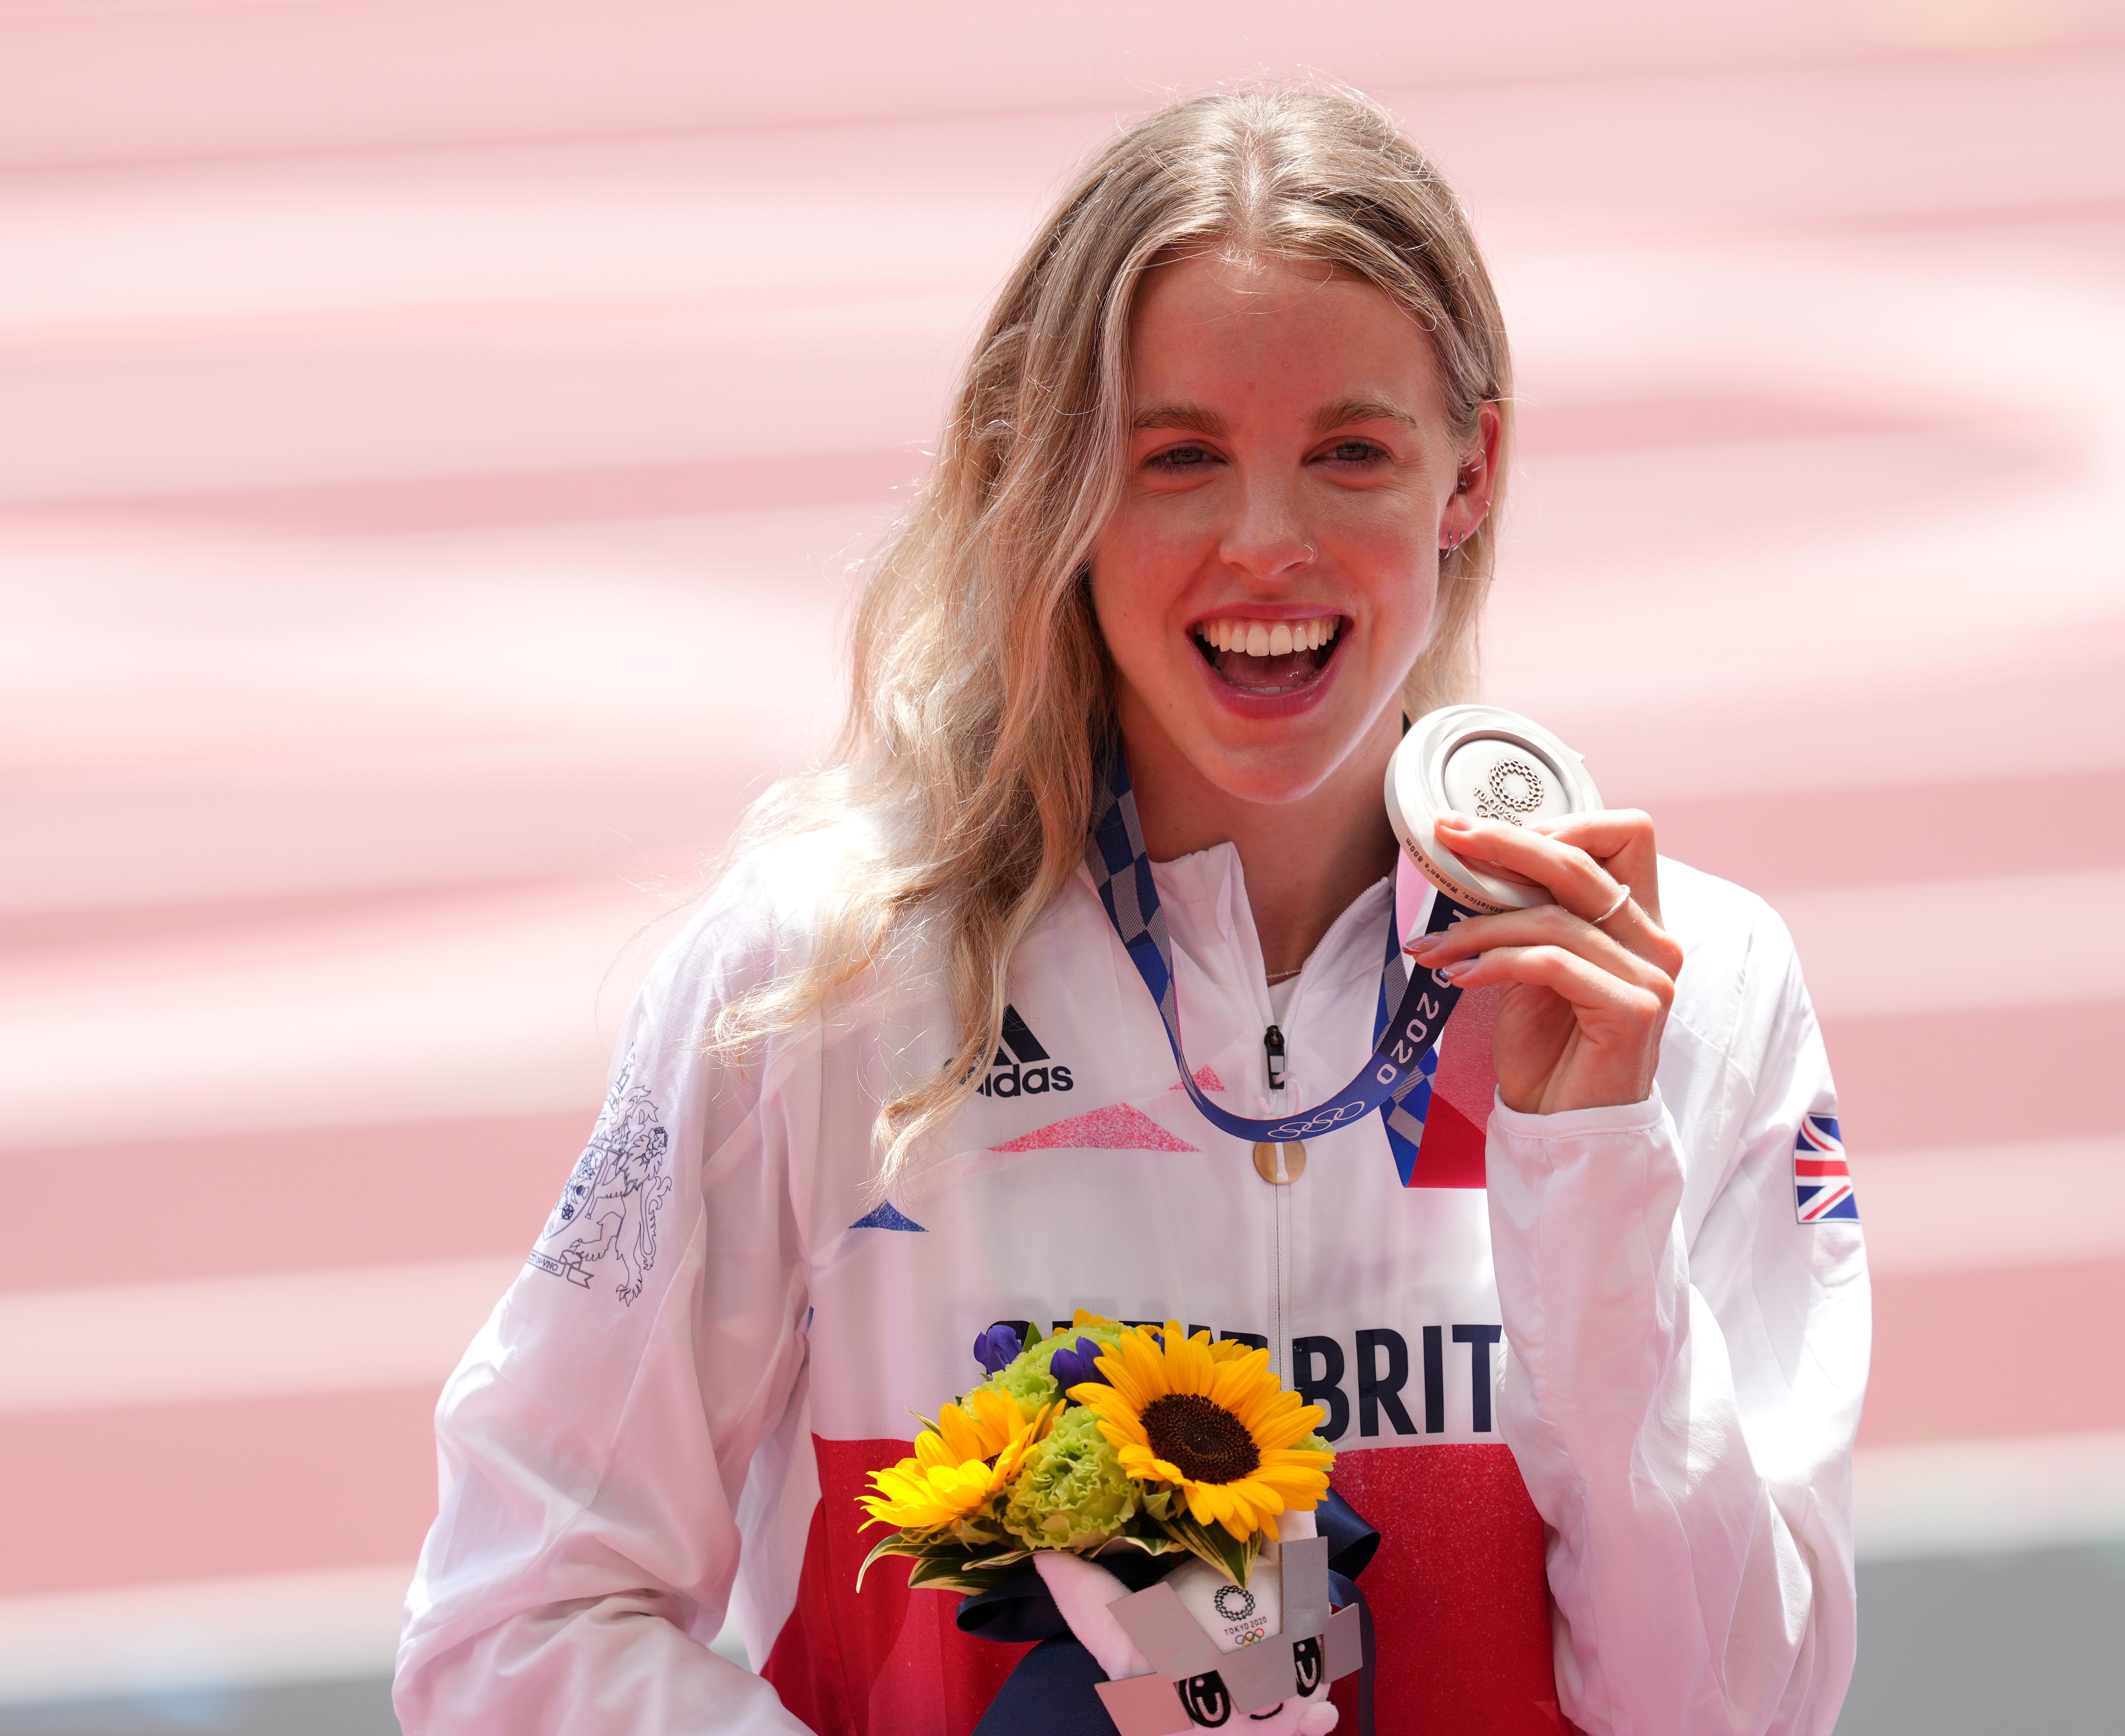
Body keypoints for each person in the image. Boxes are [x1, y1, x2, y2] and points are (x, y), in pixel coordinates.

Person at [393, 87, 1868, 1736]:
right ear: (1059, 486)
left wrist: (1592, 1169)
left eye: (1350, 453)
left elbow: (1733, 1713)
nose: (1266, 544)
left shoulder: (1687, 994)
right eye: (1177, 460)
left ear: (1473, 470)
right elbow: (514, 1626)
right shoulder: (827, 980)